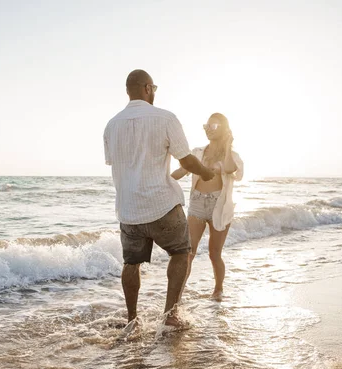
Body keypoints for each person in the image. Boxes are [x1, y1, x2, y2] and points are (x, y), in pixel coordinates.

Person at [103, 69, 215, 328]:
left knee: (131, 263)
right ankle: (170, 315)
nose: (154, 92)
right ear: (146, 88)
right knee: (180, 252)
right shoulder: (165, 118)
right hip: (161, 205)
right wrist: (206, 172)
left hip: (129, 210)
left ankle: (132, 319)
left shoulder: (112, 124)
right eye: (153, 87)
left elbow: (114, 162)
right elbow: (185, 159)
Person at [171, 113, 244, 301]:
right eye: (207, 125)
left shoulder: (233, 156)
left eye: (214, 126)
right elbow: (182, 170)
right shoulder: (197, 152)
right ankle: (178, 294)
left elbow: (228, 168)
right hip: (197, 204)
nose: (209, 129)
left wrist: (227, 146)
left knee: (214, 254)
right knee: (188, 253)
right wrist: (162, 180)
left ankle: (218, 289)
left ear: (225, 129)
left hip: (218, 206)